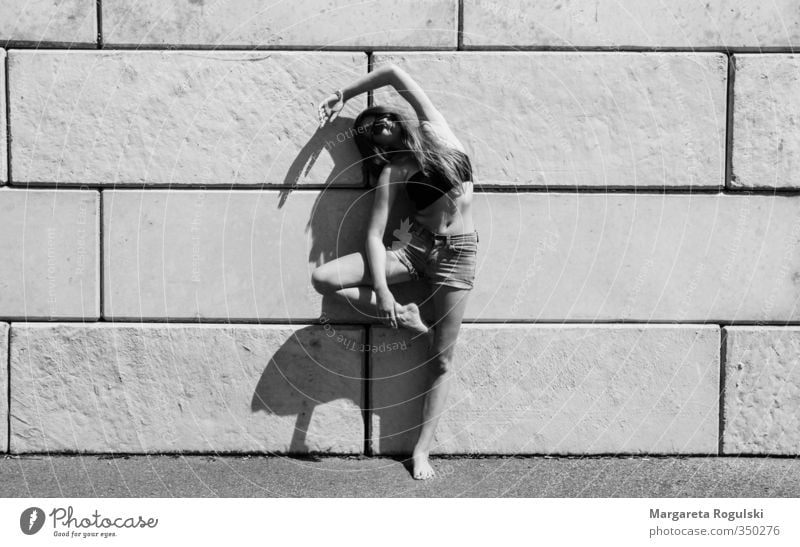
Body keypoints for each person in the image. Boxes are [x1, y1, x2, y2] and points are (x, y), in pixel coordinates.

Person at [312, 63, 478, 480]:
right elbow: (373, 235)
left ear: (400, 120)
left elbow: (393, 73)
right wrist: (384, 293)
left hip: (458, 253)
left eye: (383, 117)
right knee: (324, 279)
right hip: (413, 249)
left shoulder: (438, 135)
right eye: (369, 127)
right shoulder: (393, 171)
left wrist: (345, 93)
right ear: (370, 142)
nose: (378, 123)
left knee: (441, 362)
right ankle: (409, 320)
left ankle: (421, 452)